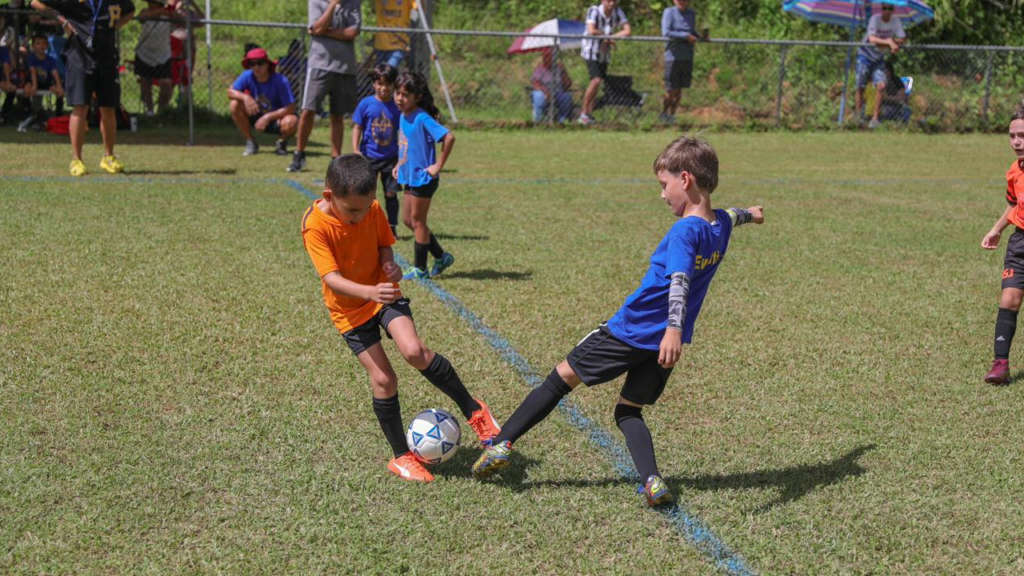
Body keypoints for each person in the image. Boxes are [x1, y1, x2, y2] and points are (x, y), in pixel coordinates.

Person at [471, 136, 765, 507]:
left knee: (560, 378)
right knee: (628, 410)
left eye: (664, 184)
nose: (662, 194)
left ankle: (501, 444)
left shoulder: (683, 231)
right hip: (663, 347)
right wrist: (751, 213)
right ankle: (653, 481)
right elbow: (731, 215)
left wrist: (673, 329)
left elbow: (680, 281)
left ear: (685, 179)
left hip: (631, 331)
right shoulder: (718, 224)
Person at [301, 154, 502, 482]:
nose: (360, 216)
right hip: (349, 311)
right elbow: (331, 279)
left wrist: (389, 265)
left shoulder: (371, 208)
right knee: (384, 380)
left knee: (414, 351)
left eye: (365, 208)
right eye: (352, 210)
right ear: (328, 196)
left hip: (384, 294)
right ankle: (401, 457)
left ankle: (474, 410)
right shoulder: (315, 225)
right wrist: (369, 291)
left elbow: (384, 244)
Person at [30, 0, 135, 177]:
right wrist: (63, 21)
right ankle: (76, 159)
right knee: (80, 107)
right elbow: (36, 2)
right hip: (79, 58)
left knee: (109, 108)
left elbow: (130, 10)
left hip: (107, 58)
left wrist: (115, 26)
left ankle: (108, 157)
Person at [392, 71, 455, 280]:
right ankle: (441, 256)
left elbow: (449, 138)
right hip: (409, 176)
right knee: (408, 220)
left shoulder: (422, 118)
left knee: (417, 221)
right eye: (397, 93)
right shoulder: (403, 115)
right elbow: (407, 145)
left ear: (417, 97)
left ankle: (420, 268)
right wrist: (399, 164)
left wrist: (438, 165)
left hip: (423, 178)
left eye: (405, 95)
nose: (400, 98)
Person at [288, 0, 361, 173]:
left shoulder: (353, 2)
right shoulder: (316, 1)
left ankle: (336, 159)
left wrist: (325, 31)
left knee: (337, 114)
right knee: (308, 110)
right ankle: (299, 154)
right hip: (319, 65)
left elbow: (352, 32)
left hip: (344, 66)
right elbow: (317, 27)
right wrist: (332, 6)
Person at [980, 108, 1024, 384]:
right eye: (1012, 136)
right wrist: (996, 230)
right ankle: (1001, 365)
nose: (1017, 141)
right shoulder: (1014, 170)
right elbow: (1013, 204)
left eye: (1023, 136)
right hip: (1020, 242)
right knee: (1009, 299)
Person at [352, 63, 402, 236]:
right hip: (369, 157)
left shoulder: (397, 105)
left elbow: (403, 130)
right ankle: (370, 225)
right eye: (380, 83)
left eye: (388, 84)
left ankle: (392, 226)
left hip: (391, 157)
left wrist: (402, 154)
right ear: (374, 84)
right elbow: (357, 127)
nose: (384, 88)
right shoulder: (366, 104)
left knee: (391, 193)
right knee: (368, 195)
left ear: (393, 85)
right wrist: (355, 149)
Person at [228, 47, 298, 157]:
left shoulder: (280, 80)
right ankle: (251, 142)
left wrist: (267, 117)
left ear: (267, 64)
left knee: (292, 121)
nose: (256, 67)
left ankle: (281, 143)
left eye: (260, 63)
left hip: (276, 119)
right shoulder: (247, 75)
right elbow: (230, 92)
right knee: (234, 105)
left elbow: (291, 107)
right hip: (255, 114)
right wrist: (246, 98)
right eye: (252, 64)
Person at [578, 0, 630, 126]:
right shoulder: (594, 11)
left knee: (598, 83)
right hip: (591, 51)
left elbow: (627, 31)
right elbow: (591, 30)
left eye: (614, 1)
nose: (611, 4)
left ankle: (589, 114)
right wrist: (606, 36)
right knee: (595, 80)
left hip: (604, 54)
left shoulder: (617, 11)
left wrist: (611, 38)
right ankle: (583, 113)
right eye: (609, 1)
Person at [854, 5, 905, 129]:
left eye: (889, 8)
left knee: (881, 85)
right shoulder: (875, 19)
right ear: (881, 9)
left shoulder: (895, 21)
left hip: (878, 59)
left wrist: (894, 43)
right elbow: (872, 39)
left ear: (893, 10)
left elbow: (902, 38)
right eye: (884, 8)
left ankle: (875, 119)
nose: (886, 11)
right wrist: (889, 42)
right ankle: (858, 118)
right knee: (860, 86)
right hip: (865, 55)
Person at [660, 0, 702, 123]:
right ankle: (664, 114)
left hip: (687, 56)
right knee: (671, 89)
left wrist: (700, 37)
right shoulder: (669, 12)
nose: (682, 2)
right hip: (673, 57)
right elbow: (666, 32)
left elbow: (692, 32)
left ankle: (672, 116)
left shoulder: (691, 14)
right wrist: (685, 36)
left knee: (679, 90)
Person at [134, 0, 172, 116]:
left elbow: (180, 18)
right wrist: (159, 12)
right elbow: (141, 18)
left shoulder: (168, 15)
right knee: (145, 82)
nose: (149, 4)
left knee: (166, 84)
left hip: (163, 55)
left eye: (152, 2)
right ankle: (149, 112)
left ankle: (161, 112)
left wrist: (169, 10)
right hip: (144, 53)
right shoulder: (145, 12)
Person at [20, 31, 63, 131]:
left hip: (45, 81)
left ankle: (59, 116)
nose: (41, 46)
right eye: (38, 43)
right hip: (32, 80)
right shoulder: (31, 57)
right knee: (27, 89)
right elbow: (32, 71)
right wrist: (34, 85)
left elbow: (55, 73)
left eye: (44, 43)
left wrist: (59, 87)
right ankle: (27, 116)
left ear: (47, 46)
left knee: (59, 91)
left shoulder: (50, 59)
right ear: (33, 46)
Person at [530, 47, 572, 123]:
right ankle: (538, 119)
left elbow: (568, 84)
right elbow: (535, 84)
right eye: (546, 57)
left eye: (551, 57)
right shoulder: (539, 69)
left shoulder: (559, 68)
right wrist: (546, 92)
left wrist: (563, 71)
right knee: (539, 96)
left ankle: (562, 120)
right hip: (544, 93)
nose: (548, 59)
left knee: (566, 97)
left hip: (557, 92)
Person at [373, 0, 411, 69]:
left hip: (399, 44)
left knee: (388, 70)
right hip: (381, 44)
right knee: (380, 72)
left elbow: (420, 9)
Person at [878, 60, 910, 124]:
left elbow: (902, 98)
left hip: (894, 106)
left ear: (889, 71)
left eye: (884, 70)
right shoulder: (878, 81)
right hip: (881, 105)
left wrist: (887, 98)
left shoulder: (896, 81)